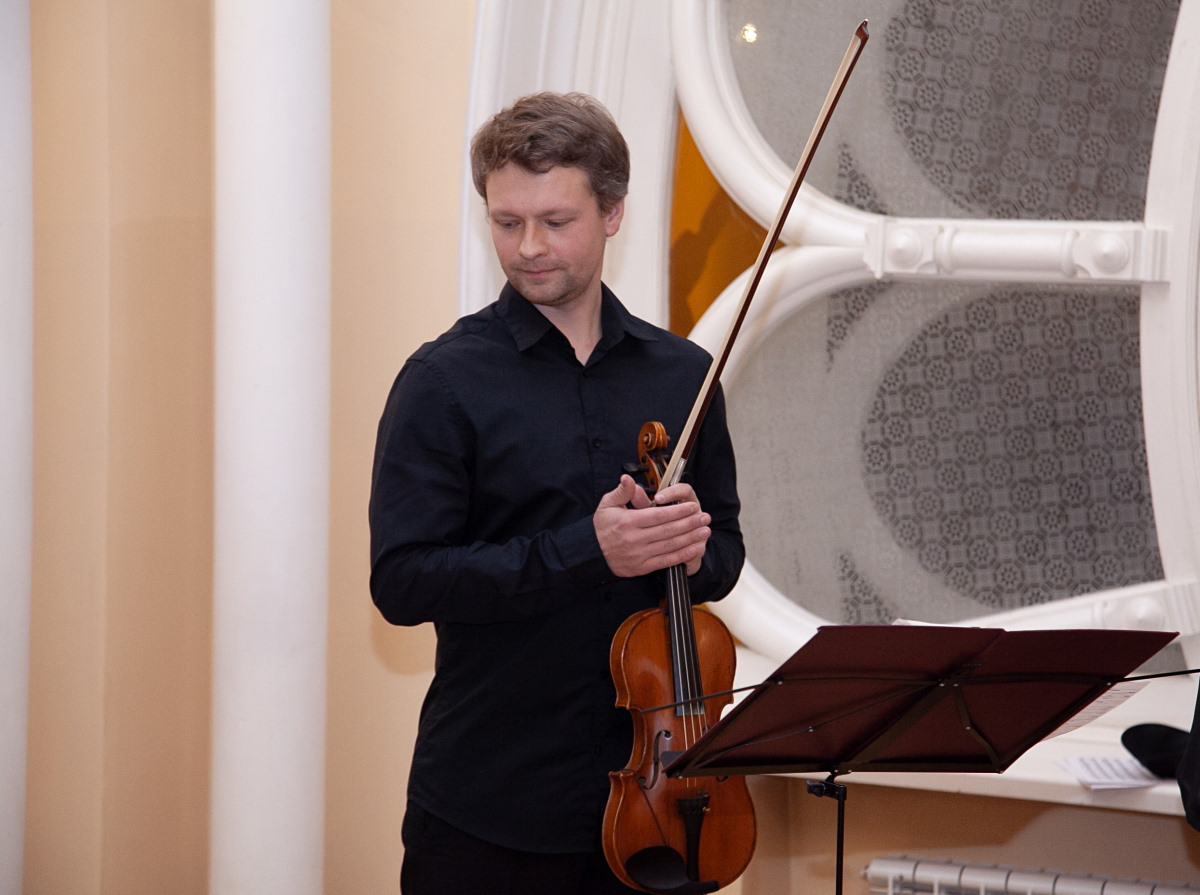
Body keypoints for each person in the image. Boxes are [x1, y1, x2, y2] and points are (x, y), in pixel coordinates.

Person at [368, 92, 745, 894]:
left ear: (612, 213)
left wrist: (689, 551)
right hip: (490, 808)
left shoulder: (684, 374)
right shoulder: (442, 380)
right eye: (507, 222)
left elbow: (725, 555)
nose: (529, 246)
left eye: (555, 220)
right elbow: (402, 581)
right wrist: (587, 549)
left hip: (666, 800)